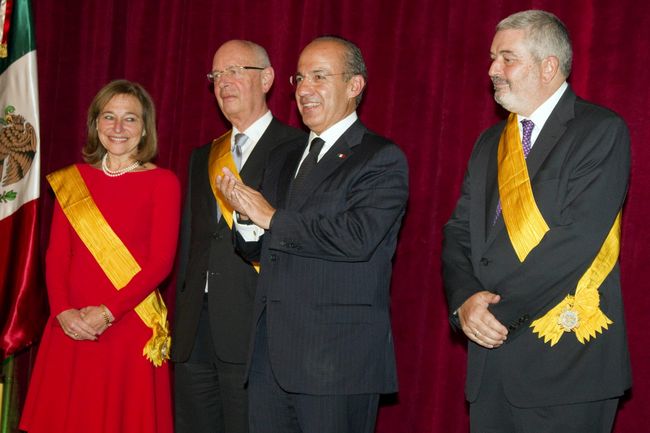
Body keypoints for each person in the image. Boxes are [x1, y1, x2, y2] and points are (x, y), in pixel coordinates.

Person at [442, 10, 631, 433]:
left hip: (566, 363)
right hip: (490, 364)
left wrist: (495, 314)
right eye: (493, 58)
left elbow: (576, 241)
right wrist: (465, 300)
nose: (492, 70)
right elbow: (458, 232)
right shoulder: (490, 142)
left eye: (507, 58)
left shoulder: (599, 130)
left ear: (548, 67)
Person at [217, 36, 408, 433]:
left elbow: (357, 237)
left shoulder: (379, 157)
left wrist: (271, 217)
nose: (304, 89)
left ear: (354, 85)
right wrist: (246, 217)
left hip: (336, 361)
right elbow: (260, 248)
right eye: (300, 78)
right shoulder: (284, 156)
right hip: (270, 358)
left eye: (319, 77)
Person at [19, 80, 180, 433]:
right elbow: (56, 254)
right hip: (71, 325)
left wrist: (107, 313)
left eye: (130, 118)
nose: (118, 127)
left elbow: (161, 263)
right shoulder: (73, 180)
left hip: (127, 324)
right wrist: (63, 311)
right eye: (109, 116)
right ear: (95, 124)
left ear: (145, 129)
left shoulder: (164, 182)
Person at [171, 39, 304, 433]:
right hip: (195, 329)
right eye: (216, 75)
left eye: (234, 71)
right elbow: (193, 243)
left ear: (267, 79)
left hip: (255, 327)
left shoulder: (298, 149)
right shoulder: (203, 156)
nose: (223, 82)